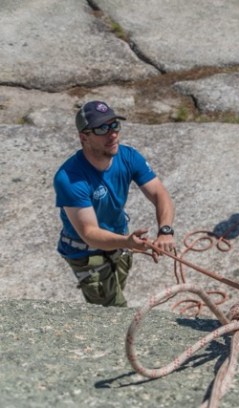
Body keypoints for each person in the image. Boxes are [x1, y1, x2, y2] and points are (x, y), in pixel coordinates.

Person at [54, 100, 176, 307]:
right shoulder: (69, 178)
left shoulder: (128, 157)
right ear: (84, 137)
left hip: (120, 241)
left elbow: (159, 193)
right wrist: (127, 241)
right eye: (102, 128)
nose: (112, 134)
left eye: (114, 125)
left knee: (116, 296)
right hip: (86, 253)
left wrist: (165, 231)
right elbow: (90, 233)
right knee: (113, 310)